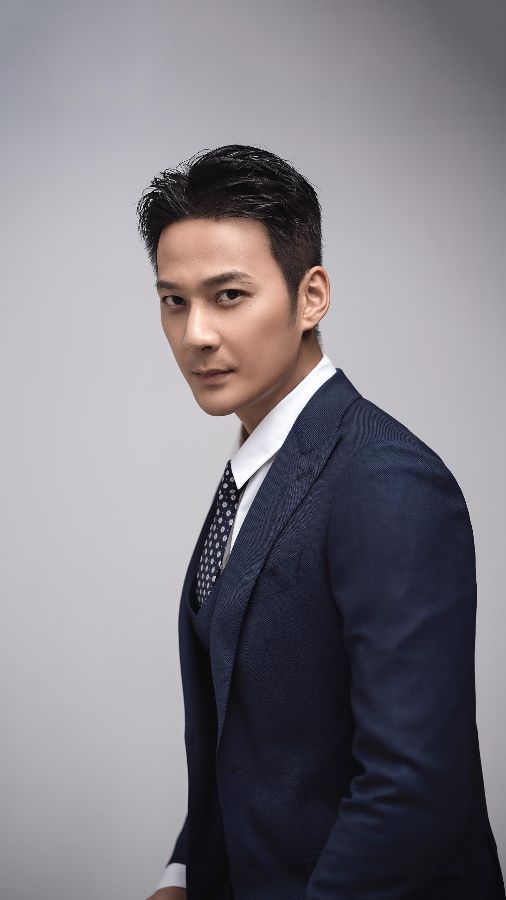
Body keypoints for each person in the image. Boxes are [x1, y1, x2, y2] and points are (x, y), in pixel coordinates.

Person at [136, 144, 505, 900]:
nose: (195, 333)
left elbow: (411, 790)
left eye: (228, 295)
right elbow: (248, 743)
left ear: (312, 297)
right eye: (174, 300)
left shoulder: (385, 481)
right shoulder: (258, 465)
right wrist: (185, 873)